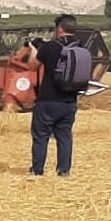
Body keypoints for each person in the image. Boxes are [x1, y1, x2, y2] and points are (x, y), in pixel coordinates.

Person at [26, 14, 80, 177]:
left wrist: (34, 50)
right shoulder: (81, 48)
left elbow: (32, 66)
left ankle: (38, 170)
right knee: (64, 136)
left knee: (41, 136)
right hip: (70, 101)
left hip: (48, 100)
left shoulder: (50, 47)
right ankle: (64, 171)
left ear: (59, 28)